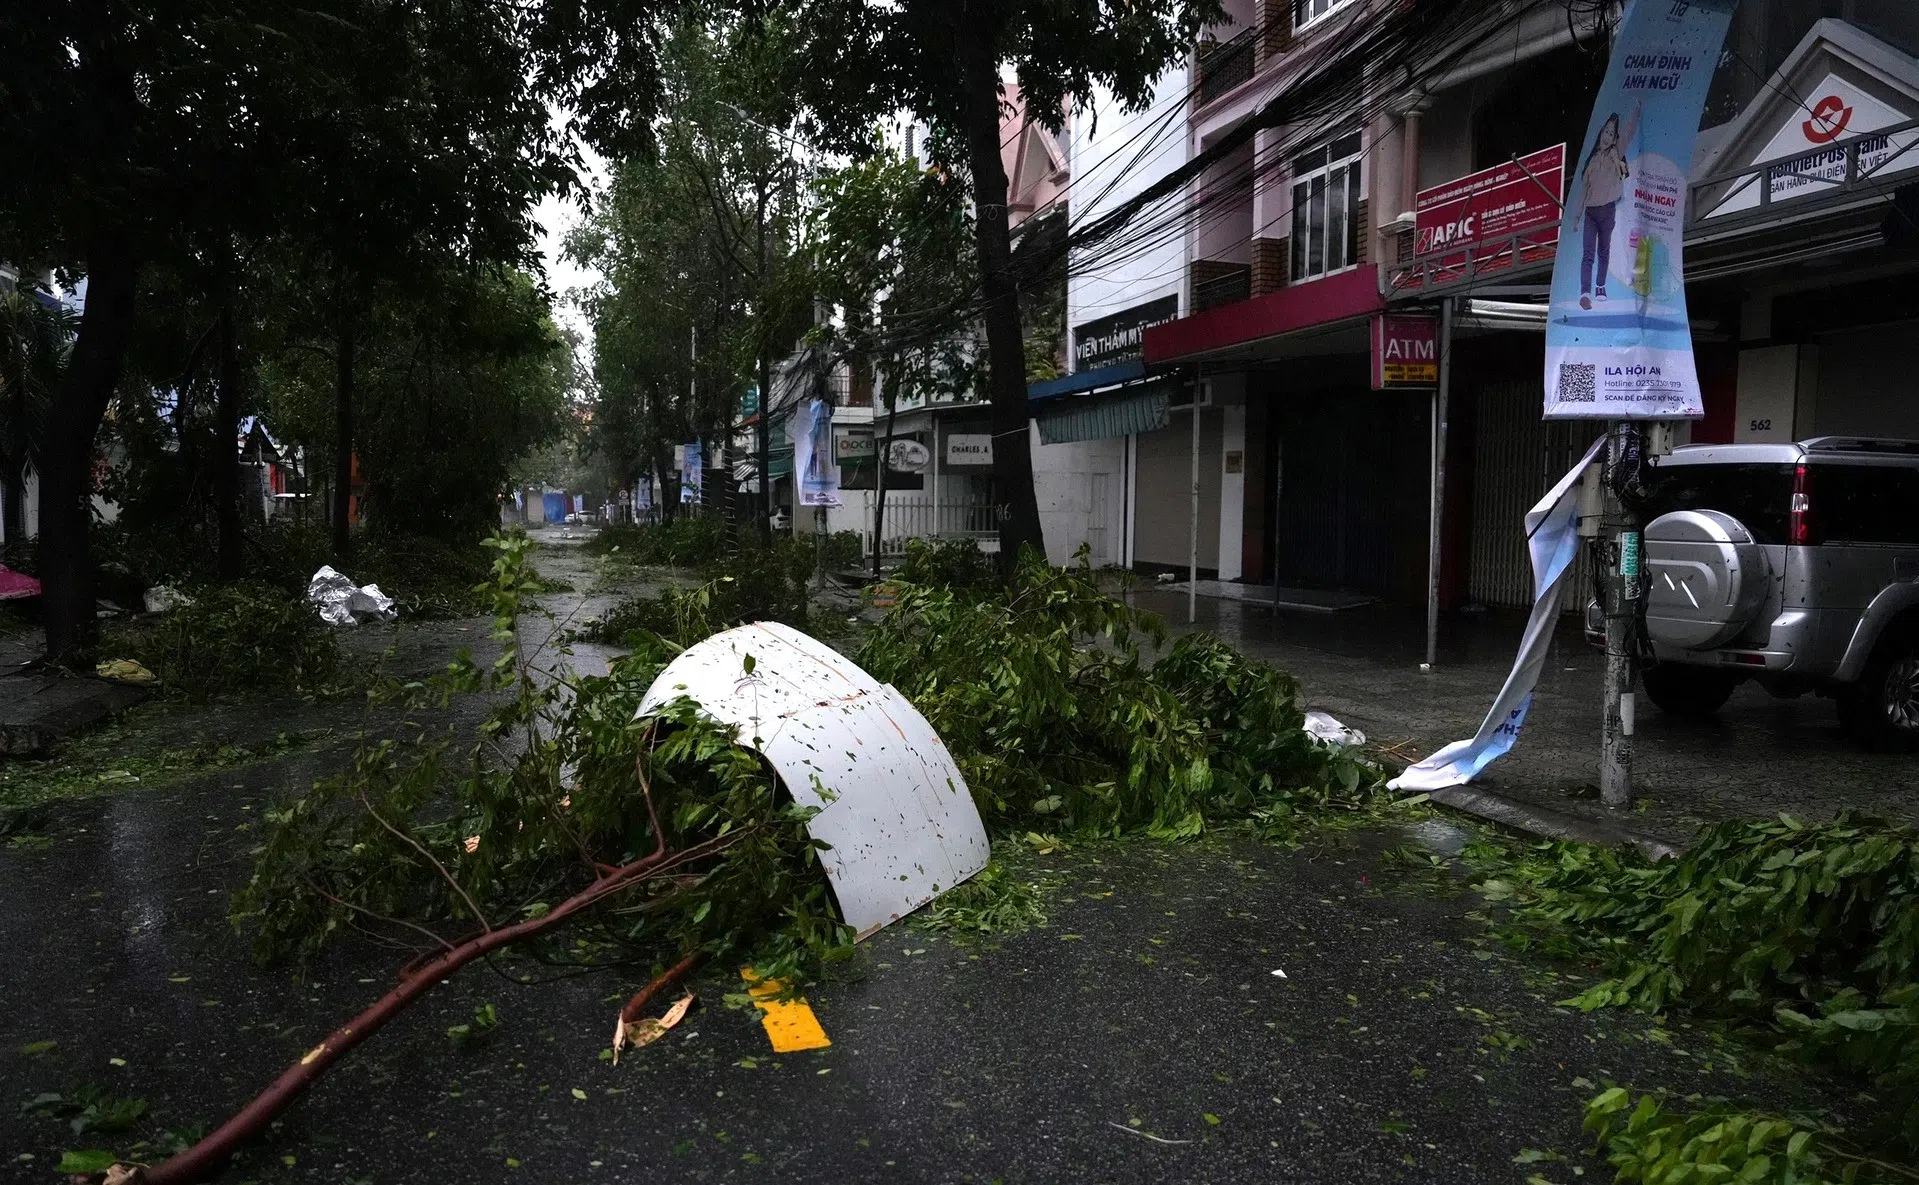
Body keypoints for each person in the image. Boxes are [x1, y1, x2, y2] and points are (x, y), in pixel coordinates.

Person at [1575, 102, 1640, 311]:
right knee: (1588, 253)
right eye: (1606, 131)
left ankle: (1600, 287)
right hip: (1591, 213)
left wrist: (1636, 110)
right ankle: (1585, 293)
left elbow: (1629, 132)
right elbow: (1582, 192)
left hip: (1608, 211)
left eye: (1612, 134)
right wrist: (1576, 218)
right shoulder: (1591, 161)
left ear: (1614, 138)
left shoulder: (1617, 154)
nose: (1607, 136)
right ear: (1601, 132)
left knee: (1604, 251)